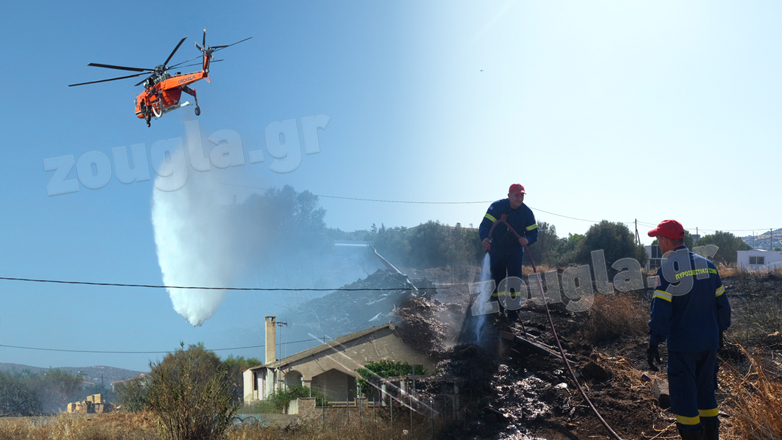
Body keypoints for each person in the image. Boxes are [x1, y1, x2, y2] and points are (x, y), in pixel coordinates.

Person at [647, 219, 731, 440]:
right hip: (709, 344)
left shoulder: (667, 269)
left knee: (685, 400)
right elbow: (723, 306)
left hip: (683, 346)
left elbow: (661, 311)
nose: (658, 244)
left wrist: (654, 341)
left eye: (658, 239)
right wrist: (719, 334)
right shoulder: (708, 265)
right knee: (706, 395)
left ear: (665, 240)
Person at [478, 183, 538, 321]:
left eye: (522, 195)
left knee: (514, 281)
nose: (519, 198)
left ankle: (513, 312)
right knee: (496, 279)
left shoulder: (527, 213)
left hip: (515, 251)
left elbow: (534, 233)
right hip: (497, 249)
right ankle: (496, 310)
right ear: (509, 195)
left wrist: (527, 240)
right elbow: (485, 225)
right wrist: (485, 238)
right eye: (517, 195)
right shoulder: (496, 207)